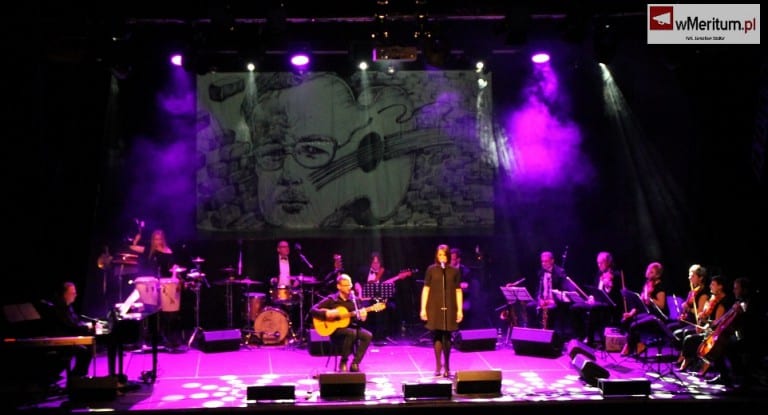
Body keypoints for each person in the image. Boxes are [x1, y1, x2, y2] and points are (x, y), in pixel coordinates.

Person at [129, 228, 185, 351]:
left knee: (168, 312)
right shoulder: (150, 250)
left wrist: (175, 271)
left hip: (167, 283)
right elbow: (132, 248)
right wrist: (135, 241)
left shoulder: (169, 251)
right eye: (155, 239)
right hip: (154, 283)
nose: (157, 241)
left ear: (163, 239)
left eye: (159, 239)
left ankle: (169, 337)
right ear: (152, 240)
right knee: (153, 311)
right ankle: (152, 337)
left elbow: (173, 267)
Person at [310, 274, 373, 372]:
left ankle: (355, 363)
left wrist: (363, 316)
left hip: (352, 328)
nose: (349, 287)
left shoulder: (355, 300)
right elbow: (313, 310)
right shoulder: (332, 299)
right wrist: (326, 313)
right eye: (346, 285)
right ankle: (343, 362)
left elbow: (359, 318)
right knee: (351, 333)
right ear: (339, 286)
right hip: (336, 331)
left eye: (350, 285)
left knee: (367, 335)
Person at [420, 244, 463, 378]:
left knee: (447, 335)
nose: (441, 257)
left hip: (449, 305)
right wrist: (423, 308)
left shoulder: (454, 271)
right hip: (434, 306)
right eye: (439, 255)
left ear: (448, 256)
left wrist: (460, 310)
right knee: (437, 335)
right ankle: (438, 365)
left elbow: (458, 291)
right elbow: (426, 289)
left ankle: (447, 366)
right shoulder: (431, 270)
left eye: (444, 255)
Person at [677, 274, 730, 373]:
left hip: (714, 335)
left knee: (689, 339)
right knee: (686, 334)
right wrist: (702, 322)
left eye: (713, 284)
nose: (710, 286)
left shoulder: (722, 303)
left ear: (720, 287)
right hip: (708, 330)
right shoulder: (713, 299)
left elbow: (716, 324)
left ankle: (689, 362)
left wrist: (704, 325)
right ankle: (688, 361)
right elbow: (709, 320)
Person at [619, 262, 670, 356]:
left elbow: (661, 305)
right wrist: (630, 314)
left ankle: (630, 346)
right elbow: (640, 304)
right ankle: (638, 344)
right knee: (625, 320)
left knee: (634, 325)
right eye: (648, 270)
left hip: (657, 317)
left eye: (652, 272)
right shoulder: (647, 285)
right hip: (648, 314)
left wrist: (650, 299)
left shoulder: (660, 286)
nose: (648, 273)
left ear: (658, 275)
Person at [45, 282, 95, 378]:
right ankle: (75, 377)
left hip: (68, 338)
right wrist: (87, 327)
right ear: (65, 294)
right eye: (73, 293)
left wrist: (86, 325)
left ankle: (78, 376)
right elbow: (71, 326)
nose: (75, 295)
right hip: (61, 341)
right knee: (84, 351)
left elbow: (75, 321)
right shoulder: (59, 307)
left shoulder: (68, 306)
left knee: (88, 347)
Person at [354, 251, 394, 343]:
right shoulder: (363, 270)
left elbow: (391, 289)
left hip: (380, 298)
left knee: (381, 308)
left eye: (377, 263)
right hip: (365, 298)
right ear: (370, 263)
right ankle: (365, 336)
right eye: (374, 263)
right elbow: (355, 281)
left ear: (380, 263)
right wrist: (358, 288)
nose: (376, 265)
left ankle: (380, 336)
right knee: (363, 308)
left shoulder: (386, 273)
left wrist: (391, 286)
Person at [525, 251, 568, 337]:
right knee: (529, 306)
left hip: (554, 301)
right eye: (542, 261)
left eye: (546, 261)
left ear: (552, 261)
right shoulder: (540, 273)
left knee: (550, 309)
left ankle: (550, 334)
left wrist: (552, 300)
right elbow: (538, 290)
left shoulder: (560, 272)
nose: (543, 263)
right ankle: (533, 333)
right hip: (543, 300)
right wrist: (539, 299)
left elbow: (563, 290)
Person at [670, 264, 710, 351]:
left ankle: (685, 355)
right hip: (689, 322)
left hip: (697, 325)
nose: (689, 278)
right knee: (670, 328)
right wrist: (684, 315)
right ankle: (680, 353)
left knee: (678, 333)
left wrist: (688, 308)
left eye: (692, 276)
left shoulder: (703, 294)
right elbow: (687, 311)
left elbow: (699, 312)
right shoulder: (692, 292)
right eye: (689, 275)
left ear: (700, 278)